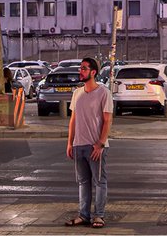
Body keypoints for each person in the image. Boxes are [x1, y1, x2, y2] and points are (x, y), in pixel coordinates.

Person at [66, 57, 113, 229]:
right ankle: (83, 215)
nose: (81, 71)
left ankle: (98, 216)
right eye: (81, 68)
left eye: (84, 68)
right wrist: (70, 143)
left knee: (99, 181)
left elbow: (108, 120)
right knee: (83, 182)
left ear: (93, 72)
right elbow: (73, 120)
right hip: (79, 145)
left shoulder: (103, 93)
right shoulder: (77, 93)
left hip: (96, 146)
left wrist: (100, 143)